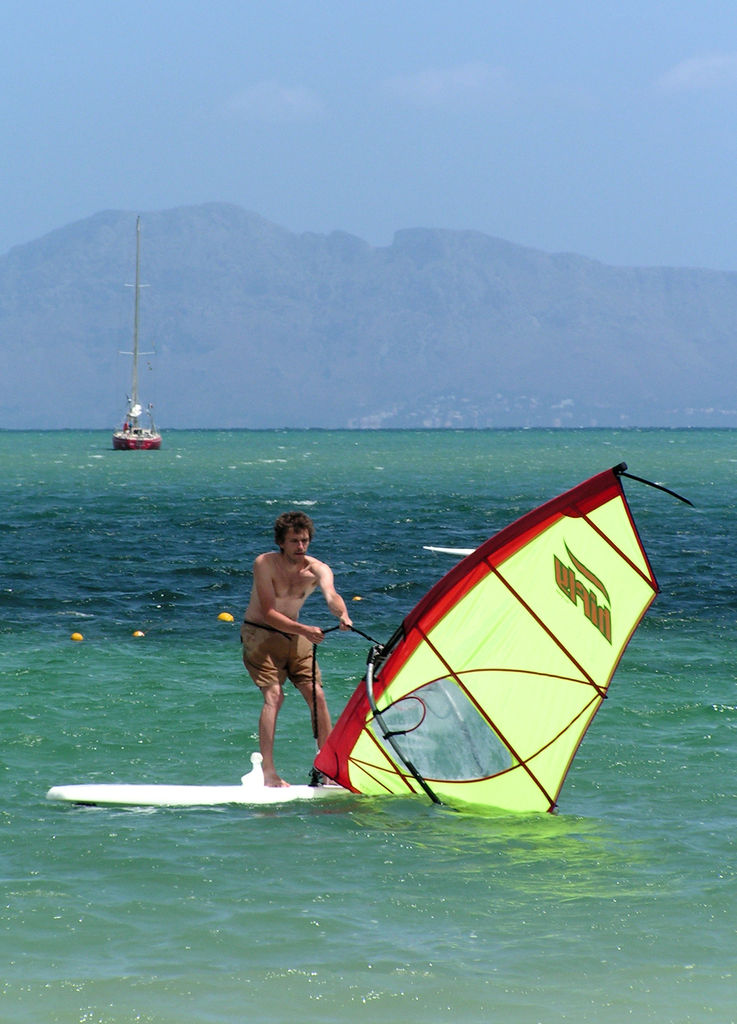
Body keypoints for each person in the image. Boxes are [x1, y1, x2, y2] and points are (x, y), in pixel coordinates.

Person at [241, 511, 353, 787]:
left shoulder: (317, 569)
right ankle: (269, 772)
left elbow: (331, 595)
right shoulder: (264, 564)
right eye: (294, 541)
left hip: (295, 634)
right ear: (281, 542)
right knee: (274, 696)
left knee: (317, 694)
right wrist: (305, 630)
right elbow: (268, 613)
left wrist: (343, 616)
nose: (300, 547)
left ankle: (327, 768)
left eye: (304, 541)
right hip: (261, 634)